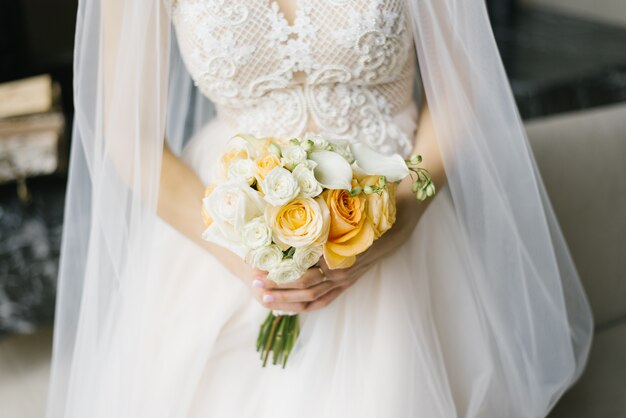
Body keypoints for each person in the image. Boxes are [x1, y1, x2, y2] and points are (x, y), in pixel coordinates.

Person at [46, 1, 593, 417]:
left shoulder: (403, 213)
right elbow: (127, 134)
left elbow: (460, 93)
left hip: (400, 223)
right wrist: (244, 253)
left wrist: (402, 213)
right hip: (224, 235)